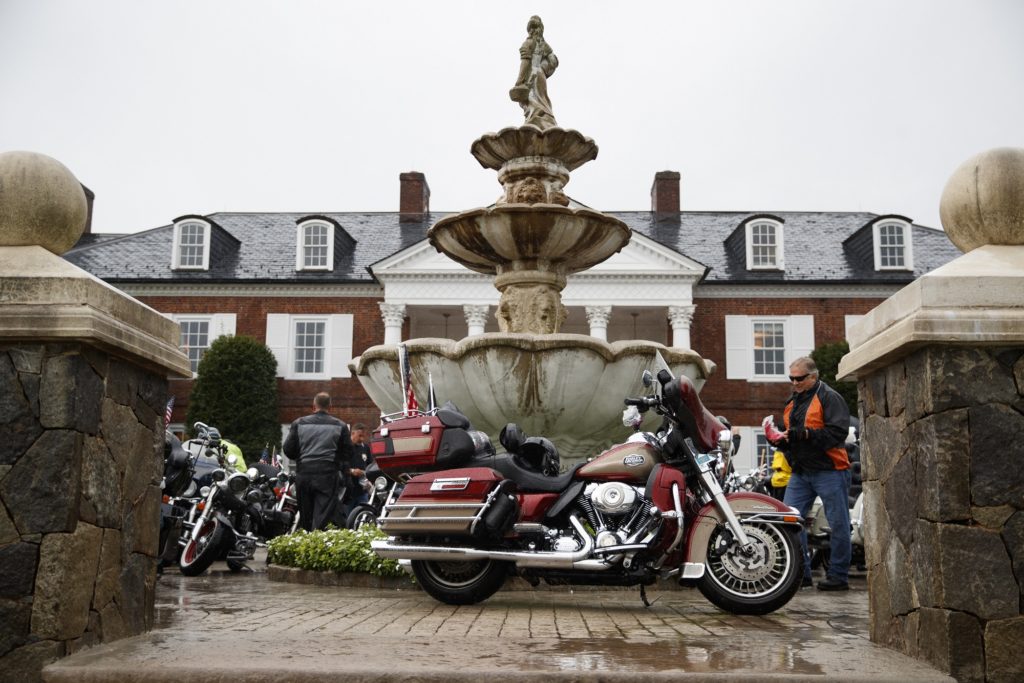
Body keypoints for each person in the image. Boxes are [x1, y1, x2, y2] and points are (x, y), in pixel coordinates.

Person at [767, 357, 852, 591]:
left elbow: (837, 433)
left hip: (830, 470)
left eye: (799, 378)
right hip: (801, 472)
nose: (794, 382)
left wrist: (802, 435)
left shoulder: (830, 397)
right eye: (791, 378)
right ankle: (800, 573)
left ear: (813, 377)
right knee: (788, 521)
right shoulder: (791, 402)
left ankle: (838, 576)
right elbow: (792, 438)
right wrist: (778, 440)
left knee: (838, 524)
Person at [283, 392, 353, 532]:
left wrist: (303, 457)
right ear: (330, 407)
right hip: (327, 475)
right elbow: (348, 453)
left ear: (313, 406)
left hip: (304, 473)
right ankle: (317, 541)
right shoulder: (340, 425)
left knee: (306, 515)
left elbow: (288, 450)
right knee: (322, 515)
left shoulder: (299, 423)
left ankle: (307, 540)